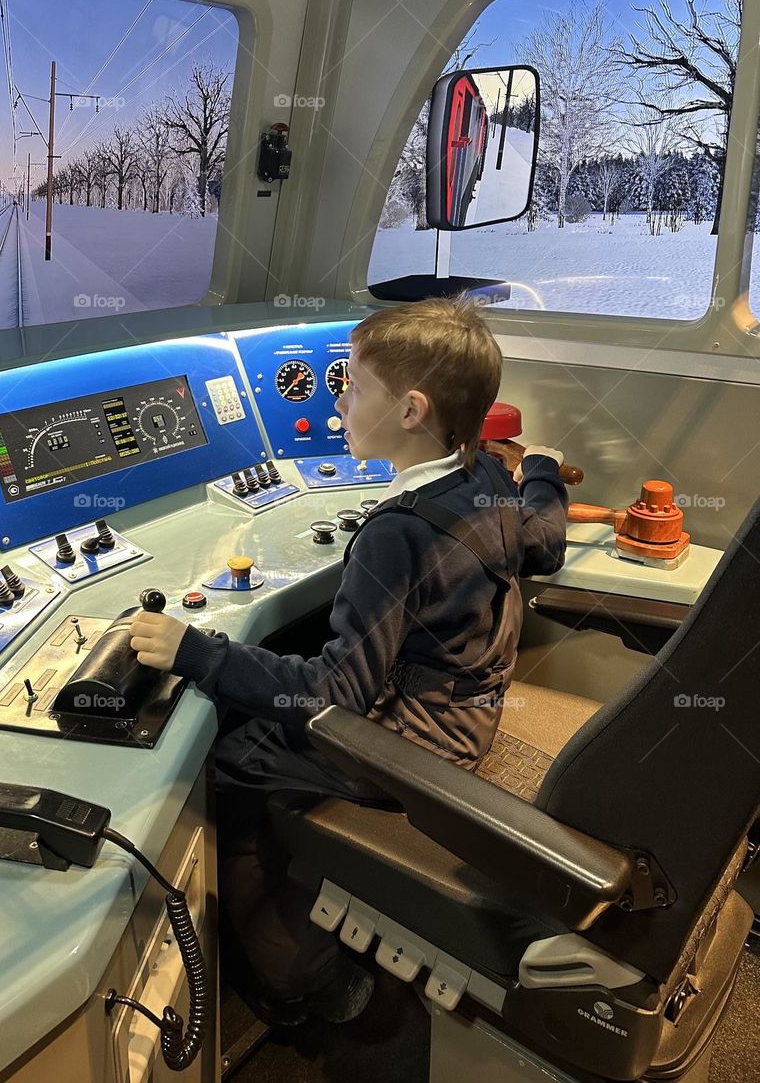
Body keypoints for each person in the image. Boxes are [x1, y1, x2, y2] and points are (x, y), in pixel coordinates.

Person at [129, 295, 568, 1025]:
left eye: (354, 387)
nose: (339, 400)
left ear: (411, 411)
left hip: (418, 744)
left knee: (227, 759)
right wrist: (545, 469)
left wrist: (196, 652)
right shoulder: (490, 476)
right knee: (268, 678)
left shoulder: (396, 536)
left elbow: (334, 695)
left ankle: (299, 979)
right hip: (472, 711)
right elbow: (546, 541)